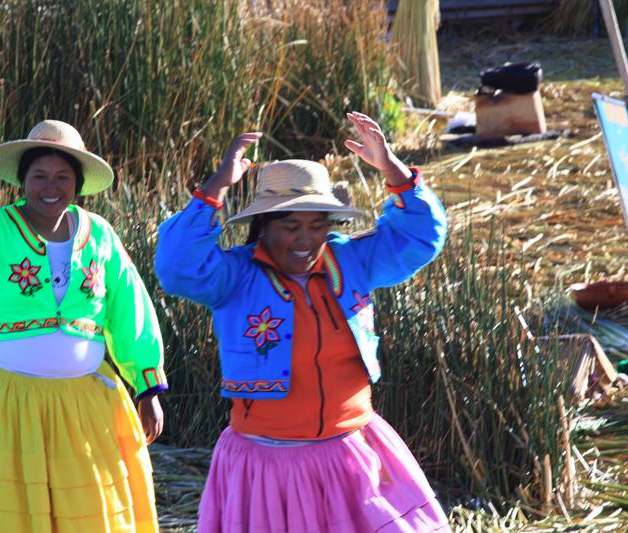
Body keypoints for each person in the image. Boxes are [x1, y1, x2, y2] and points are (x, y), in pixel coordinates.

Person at [155, 112, 450, 532]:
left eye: (316, 225)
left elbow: (422, 236)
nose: (305, 239)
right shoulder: (234, 277)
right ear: (263, 227)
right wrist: (215, 189)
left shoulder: (351, 263)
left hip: (350, 452)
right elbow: (175, 267)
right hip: (267, 463)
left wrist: (392, 169)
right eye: (290, 225)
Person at [0, 120, 167, 533]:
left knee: (89, 513)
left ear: (78, 183)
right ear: (22, 180)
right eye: (39, 176)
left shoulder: (100, 237)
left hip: (86, 410)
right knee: (13, 512)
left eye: (62, 177)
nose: (50, 186)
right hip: (10, 405)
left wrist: (147, 387)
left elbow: (130, 310)